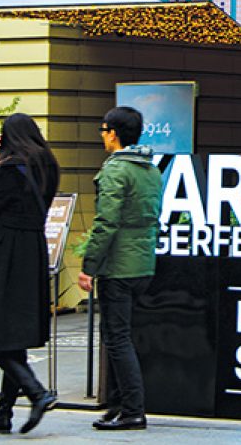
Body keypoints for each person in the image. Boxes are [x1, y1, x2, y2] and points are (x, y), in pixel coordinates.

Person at [78, 106, 162, 432]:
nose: (102, 136)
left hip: (118, 268)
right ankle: (116, 406)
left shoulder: (116, 171)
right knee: (115, 336)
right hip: (143, 263)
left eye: (103, 130)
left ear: (113, 133)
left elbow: (106, 222)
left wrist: (89, 266)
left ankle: (132, 410)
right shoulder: (150, 169)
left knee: (117, 338)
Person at [0, 113, 60, 435]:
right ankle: (3, 414)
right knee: (12, 334)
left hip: (7, 254)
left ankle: (37, 392)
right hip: (33, 252)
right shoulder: (48, 167)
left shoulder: (9, 170)